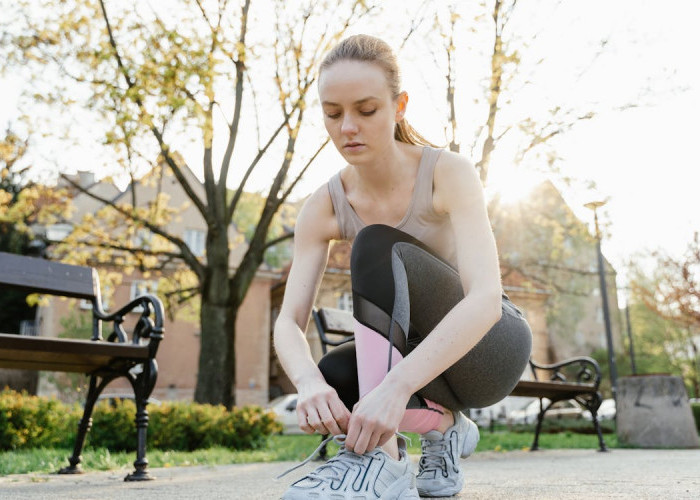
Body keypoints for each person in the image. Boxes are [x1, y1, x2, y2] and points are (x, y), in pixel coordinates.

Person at [273, 34, 532, 499]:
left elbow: (486, 300)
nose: (347, 126)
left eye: (366, 110)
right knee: (334, 376)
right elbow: (288, 322)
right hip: (424, 367)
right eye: (333, 113)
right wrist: (309, 384)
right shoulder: (322, 207)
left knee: (375, 244)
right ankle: (446, 427)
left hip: (491, 350)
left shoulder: (447, 172)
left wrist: (395, 386)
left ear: (399, 106)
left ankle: (382, 463)